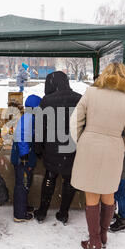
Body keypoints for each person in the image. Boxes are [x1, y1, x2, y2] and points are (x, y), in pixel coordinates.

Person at [70, 62, 125, 249]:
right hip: (113, 150)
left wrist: (82, 140)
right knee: (109, 194)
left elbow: (75, 121)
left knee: (91, 195)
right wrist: (119, 145)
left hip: (89, 146)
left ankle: (94, 240)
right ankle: (102, 237)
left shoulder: (91, 93)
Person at [34, 71, 82, 224]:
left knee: (50, 178)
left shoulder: (46, 101)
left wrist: (38, 149)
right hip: (72, 149)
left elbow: (39, 129)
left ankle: (42, 212)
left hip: (52, 149)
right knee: (69, 180)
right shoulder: (79, 99)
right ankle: (63, 213)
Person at [11, 94, 42, 222]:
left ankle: (22, 206)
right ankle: (19, 214)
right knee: (22, 185)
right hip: (22, 158)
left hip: (23, 156)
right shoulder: (29, 118)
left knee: (24, 184)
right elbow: (22, 135)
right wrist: (24, 156)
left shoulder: (28, 117)